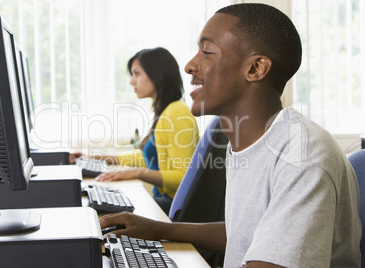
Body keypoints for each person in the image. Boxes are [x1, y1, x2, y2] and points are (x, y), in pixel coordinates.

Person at [98, 3, 361, 268]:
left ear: (255, 68)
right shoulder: (243, 142)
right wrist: (159, 230)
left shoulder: (303, 155)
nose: (190, 65)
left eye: (207, 52)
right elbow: (245, 233)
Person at [72, 47, 199, 215]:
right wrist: (95, 157)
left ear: (158, 74)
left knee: (100, 212)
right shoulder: (167, 110)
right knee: (100, 202)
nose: (132, 81)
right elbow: (147, 158)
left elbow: (183, 177)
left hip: (173, 207)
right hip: (168, 202)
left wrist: (137, 173)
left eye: (136, 73)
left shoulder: (176, 112)